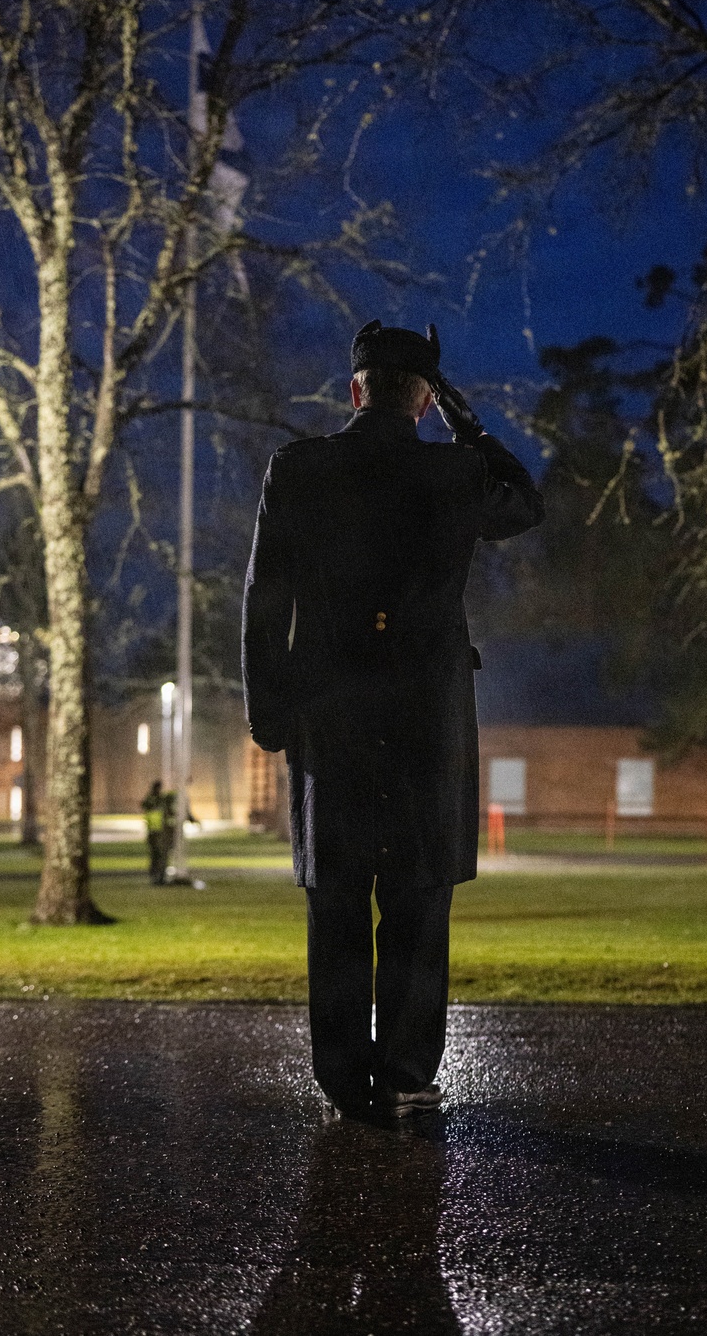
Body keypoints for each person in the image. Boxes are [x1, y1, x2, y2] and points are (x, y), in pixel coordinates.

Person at [242, 320, 544, 1119]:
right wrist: (469, 425)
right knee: (417, 897)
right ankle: (406, 1072)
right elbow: (526, 503)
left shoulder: (298, 469)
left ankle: (344, 1080)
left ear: (355, 390)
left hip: (329, 711)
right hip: (424, 718)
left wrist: (269, 713)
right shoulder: (455, 472)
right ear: (424, 399)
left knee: (337, 897)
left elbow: (265, 599)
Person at [141, 779, 174, 886]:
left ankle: (157, 877)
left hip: (156, 832)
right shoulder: (156, 800)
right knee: (159, 855)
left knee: (157, 856)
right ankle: (158, 877)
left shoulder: (156, 800)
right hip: (157, 833)